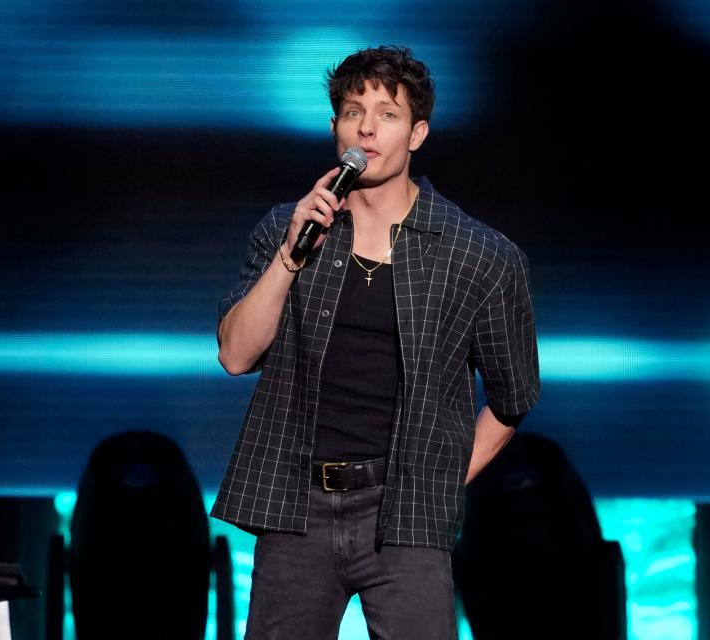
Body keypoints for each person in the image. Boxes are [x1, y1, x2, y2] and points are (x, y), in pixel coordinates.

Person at [211, 45, 540, 639]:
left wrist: (439, 476)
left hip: (405, 513)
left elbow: (513, 397)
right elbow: (236, 355)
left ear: (417, 134)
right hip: (296, 506)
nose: (366, 127)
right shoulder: (288, 230)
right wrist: (291, 254)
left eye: (387, 113)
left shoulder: (478, 255)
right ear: (335, 127)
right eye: (352, 111)